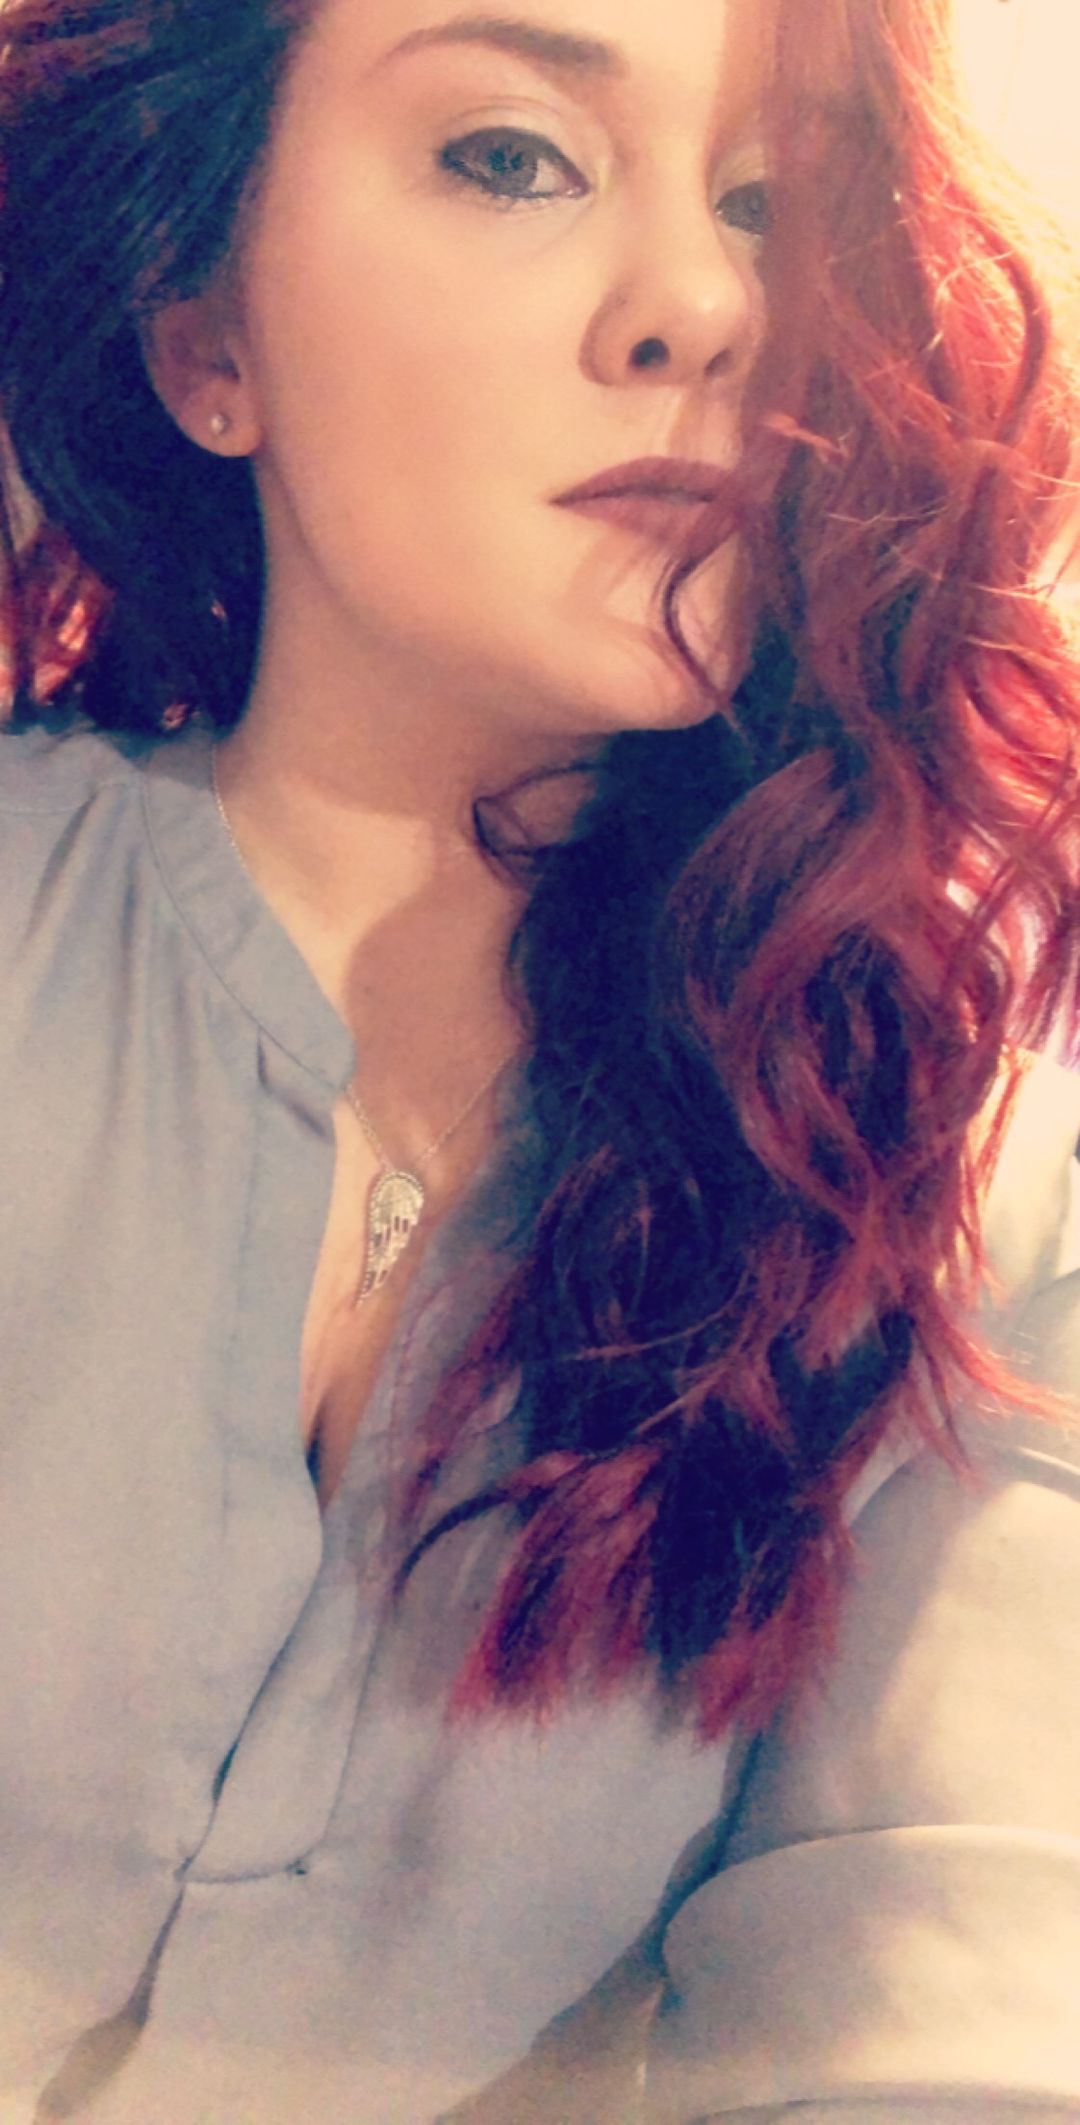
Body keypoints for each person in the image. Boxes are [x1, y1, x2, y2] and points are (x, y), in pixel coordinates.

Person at [0, 0, 1078, 2117]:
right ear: (205, 335)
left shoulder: (958, 1153)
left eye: (774, 204)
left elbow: (955, 1999)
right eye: (509, 156)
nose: (709, 303)